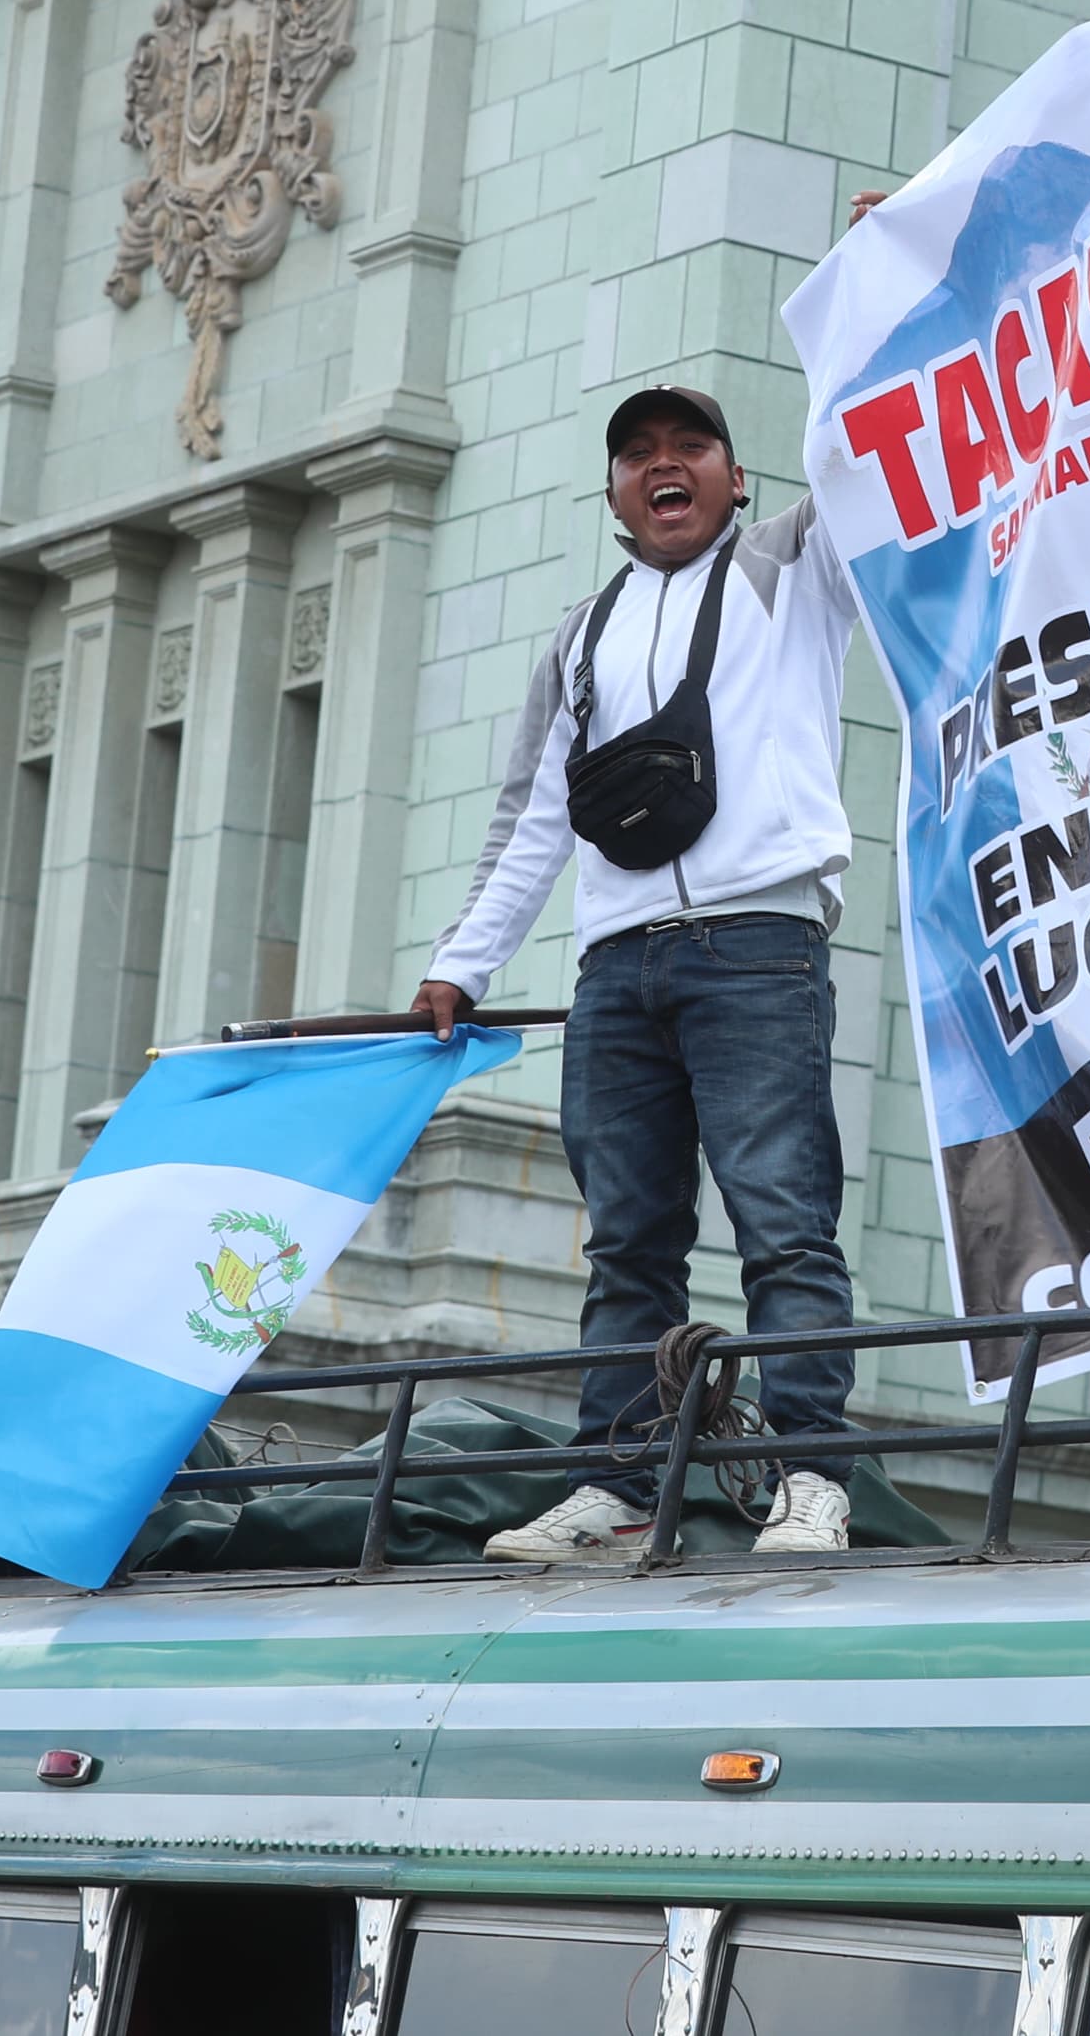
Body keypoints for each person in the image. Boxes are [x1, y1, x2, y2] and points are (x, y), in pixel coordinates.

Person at [415, 382, 866, 1560]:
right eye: (638, 455)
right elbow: (531, 820)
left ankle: (812, 1475)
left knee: (783, 1223)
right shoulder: (581, 631)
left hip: (758, 943)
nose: (663, 466)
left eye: (690, 446)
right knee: (627, 1240)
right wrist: (461, 963)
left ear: (734, 475)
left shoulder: (792, 568)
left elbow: (869, 443)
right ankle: (611, 1483)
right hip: (615, 969)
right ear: (613, 491)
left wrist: (878, 295)